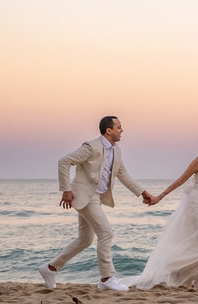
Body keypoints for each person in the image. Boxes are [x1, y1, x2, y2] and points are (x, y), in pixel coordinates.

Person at [37, 116, 156, 292]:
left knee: (85, 240)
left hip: (96, 197)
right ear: (109, 130)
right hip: (86, 196)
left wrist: (142, 193)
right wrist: (66, 190)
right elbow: (64, 162)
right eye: (119, 127)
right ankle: (107, 278)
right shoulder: (91, 147)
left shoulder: (117, 151)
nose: (122, 130)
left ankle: (50, 268)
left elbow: (123, 174)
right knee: (106, 233)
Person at [125, 130, 198, 289]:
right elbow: (180, 181)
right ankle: (173, 268)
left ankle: (197, 281)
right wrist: (159, 197)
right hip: (197, 204)